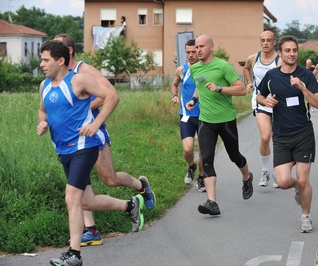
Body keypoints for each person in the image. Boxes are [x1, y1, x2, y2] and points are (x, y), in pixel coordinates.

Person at [37, 40, 143, 266]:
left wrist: (97, 124)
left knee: (71, 198)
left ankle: (74, 254)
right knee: (86, 202)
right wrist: (42, 123)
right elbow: (42, 110)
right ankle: (130, 205)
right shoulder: (44, 85)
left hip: (84, 147)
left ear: (61, 60)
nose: (42, 64)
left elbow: (112, 96)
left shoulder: (79, 80)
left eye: (46, 59)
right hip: (63, 150)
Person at [54, 34, 155, 247]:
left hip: (93, 132)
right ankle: (90, 230)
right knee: (79, 183)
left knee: (109, 178)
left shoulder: (84, 70)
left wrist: (83, 110)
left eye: (58, 45)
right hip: (72, 138)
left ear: (69, 50)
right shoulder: (59, 76)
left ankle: (141, 186)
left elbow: (110, 93)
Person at [256, 35, 318, 233]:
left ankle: (306, 217)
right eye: (287, 50)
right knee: (284, 181)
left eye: (294, 50)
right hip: (281, 136)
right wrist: (265, 102)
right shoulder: (272, 76)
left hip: (303, 133)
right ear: (280, 53)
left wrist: (302, 88)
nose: (292, 54)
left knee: (304, 180)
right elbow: (259, 94)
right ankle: (296, 187)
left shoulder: (307, 75)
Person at [186, 34, 253, 216]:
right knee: (206, 159)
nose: (198, 50)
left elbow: (241, 90)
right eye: (196, 47)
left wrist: (221, 88)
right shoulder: (195, 68)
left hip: (225, 120)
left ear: (211, 47)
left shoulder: (223, 66)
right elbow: (201, 86)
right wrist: (193, 100)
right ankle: (212, 202)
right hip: (205, 120)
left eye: (201, 47)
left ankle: (247, 178)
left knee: (234, 156)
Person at [243, 30, 280, 188]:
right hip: (260, 101)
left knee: (278, 139)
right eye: (263, 40)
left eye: (268, 40)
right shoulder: (253, 58)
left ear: (274, 42)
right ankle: (265, 171)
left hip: (278, 104)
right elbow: (246, 69)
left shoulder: (280, 60)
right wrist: (250, 82)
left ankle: (278, 172)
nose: (265, 43)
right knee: (265, 137)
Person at [170, 39, 205, 192]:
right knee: (188, 149)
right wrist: (174, 96)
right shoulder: (182, 70)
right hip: (186, 115)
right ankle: (191, 167)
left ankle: (202, 177)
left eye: (194, 51)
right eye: (188, 52)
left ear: (199, 51)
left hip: (204, 115)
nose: (191, 55)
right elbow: (174, 84)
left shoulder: (205, 69)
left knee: (203, 150)